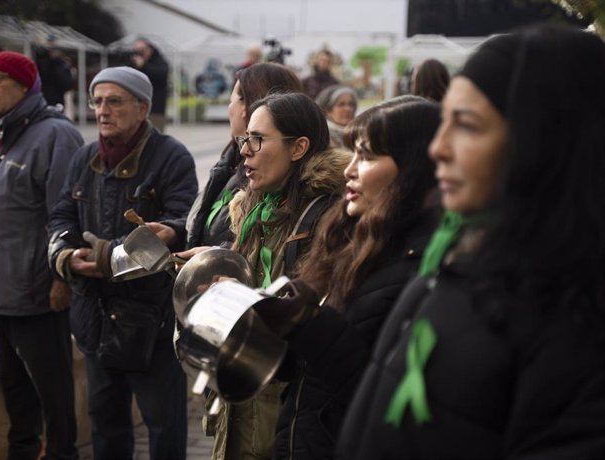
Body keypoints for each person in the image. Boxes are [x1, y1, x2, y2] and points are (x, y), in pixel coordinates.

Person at [336, 23, 605, 459]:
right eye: (443, 123)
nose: (439, 148)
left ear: (544, 143)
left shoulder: (579, 334)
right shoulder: (457, 263)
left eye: (467, 126)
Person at [251, 95, 440, 460]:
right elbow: (313, 374)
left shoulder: (424, 268)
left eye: (367, 156)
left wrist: (311, 325)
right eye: (352, 154)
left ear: (413, 170)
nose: (349, 170)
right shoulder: (350, 240)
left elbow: (392, 400)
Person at [47, 66, 197, 460]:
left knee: (164, 428)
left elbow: (182, 224)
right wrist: (66, 256)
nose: (102, 111)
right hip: (94, 319)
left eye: (114, 101)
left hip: (151, 323)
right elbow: (61, 215)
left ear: (143, 107)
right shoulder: (83, 157)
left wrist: (106, 256)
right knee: (106, 426)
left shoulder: (172, 157)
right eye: (97, 101)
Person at [209, 92, 349, 460]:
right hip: (245, 395)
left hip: (286, 407)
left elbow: (310, 317)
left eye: (257, 139)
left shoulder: (328, 219)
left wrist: (242, 297)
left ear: (299, 147)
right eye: (244, 139)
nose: (244, 151)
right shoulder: (256, 206)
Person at [0, 51, 84, 460]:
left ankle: (63, 453)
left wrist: (61, 278)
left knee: (53, 393)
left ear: (24, 85)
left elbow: (65, 212)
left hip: (36, 292)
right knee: (16, 392)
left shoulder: (55, 135)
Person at [181, 62, 303, 257]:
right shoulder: (232, 159)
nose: (246, 151)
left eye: (232, 101)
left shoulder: (274, 179)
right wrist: (174, 230)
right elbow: (203, 222)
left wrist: (219, 257)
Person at [130, 38, 169, 131]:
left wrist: (143, 66)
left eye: (141, 50)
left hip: (155, 110)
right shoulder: (133, 62)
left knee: (155, 138)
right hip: (136, 109)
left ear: (149, 50)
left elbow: (161, 74)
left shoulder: (159, 61)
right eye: (136, 50)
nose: (139, 53)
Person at [36, 36, 74, 108]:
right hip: (44, 99)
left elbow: (66, 84)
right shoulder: (42, 61)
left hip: (55, 101)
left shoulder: (60, 65)